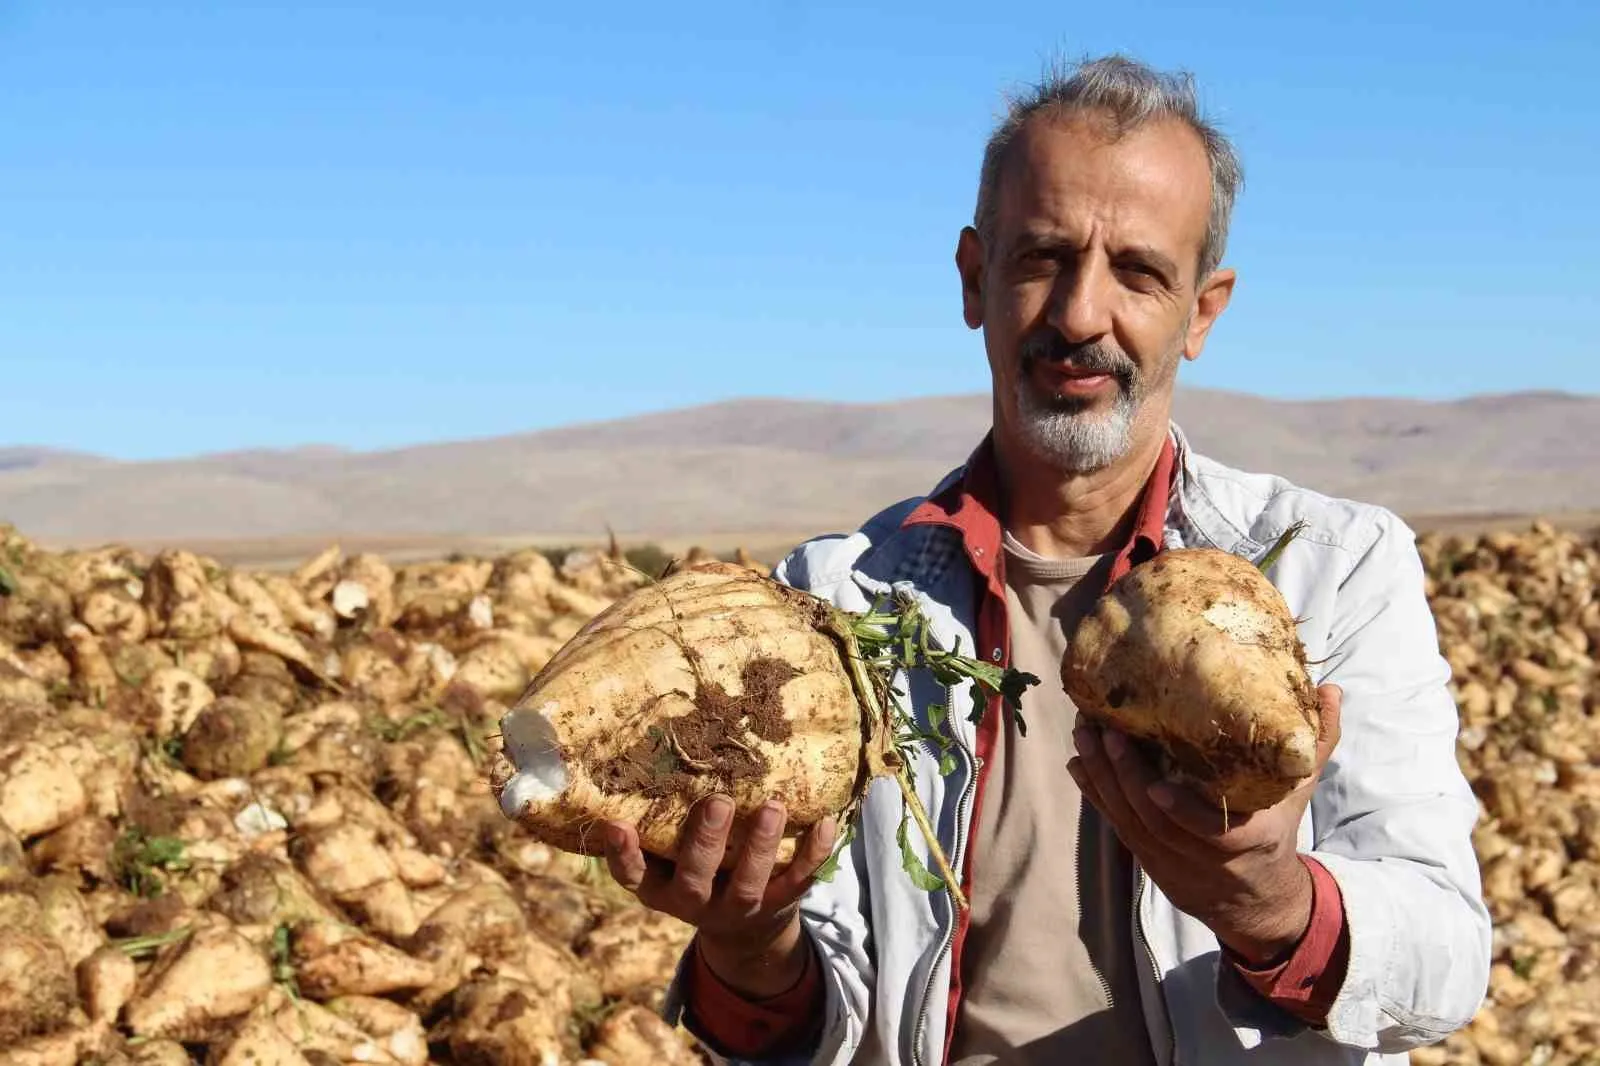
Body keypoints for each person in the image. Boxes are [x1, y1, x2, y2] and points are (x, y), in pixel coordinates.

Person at [597, 54, 1492, 1065]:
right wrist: (751, 939)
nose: (1078, 315)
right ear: (974, 278)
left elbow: (1444, 962)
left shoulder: (1333, 571)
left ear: (1202, 310)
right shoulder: (832, 606)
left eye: (1139, 272)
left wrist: (1271, 903)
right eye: (1042, 258)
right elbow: (810, 1016)